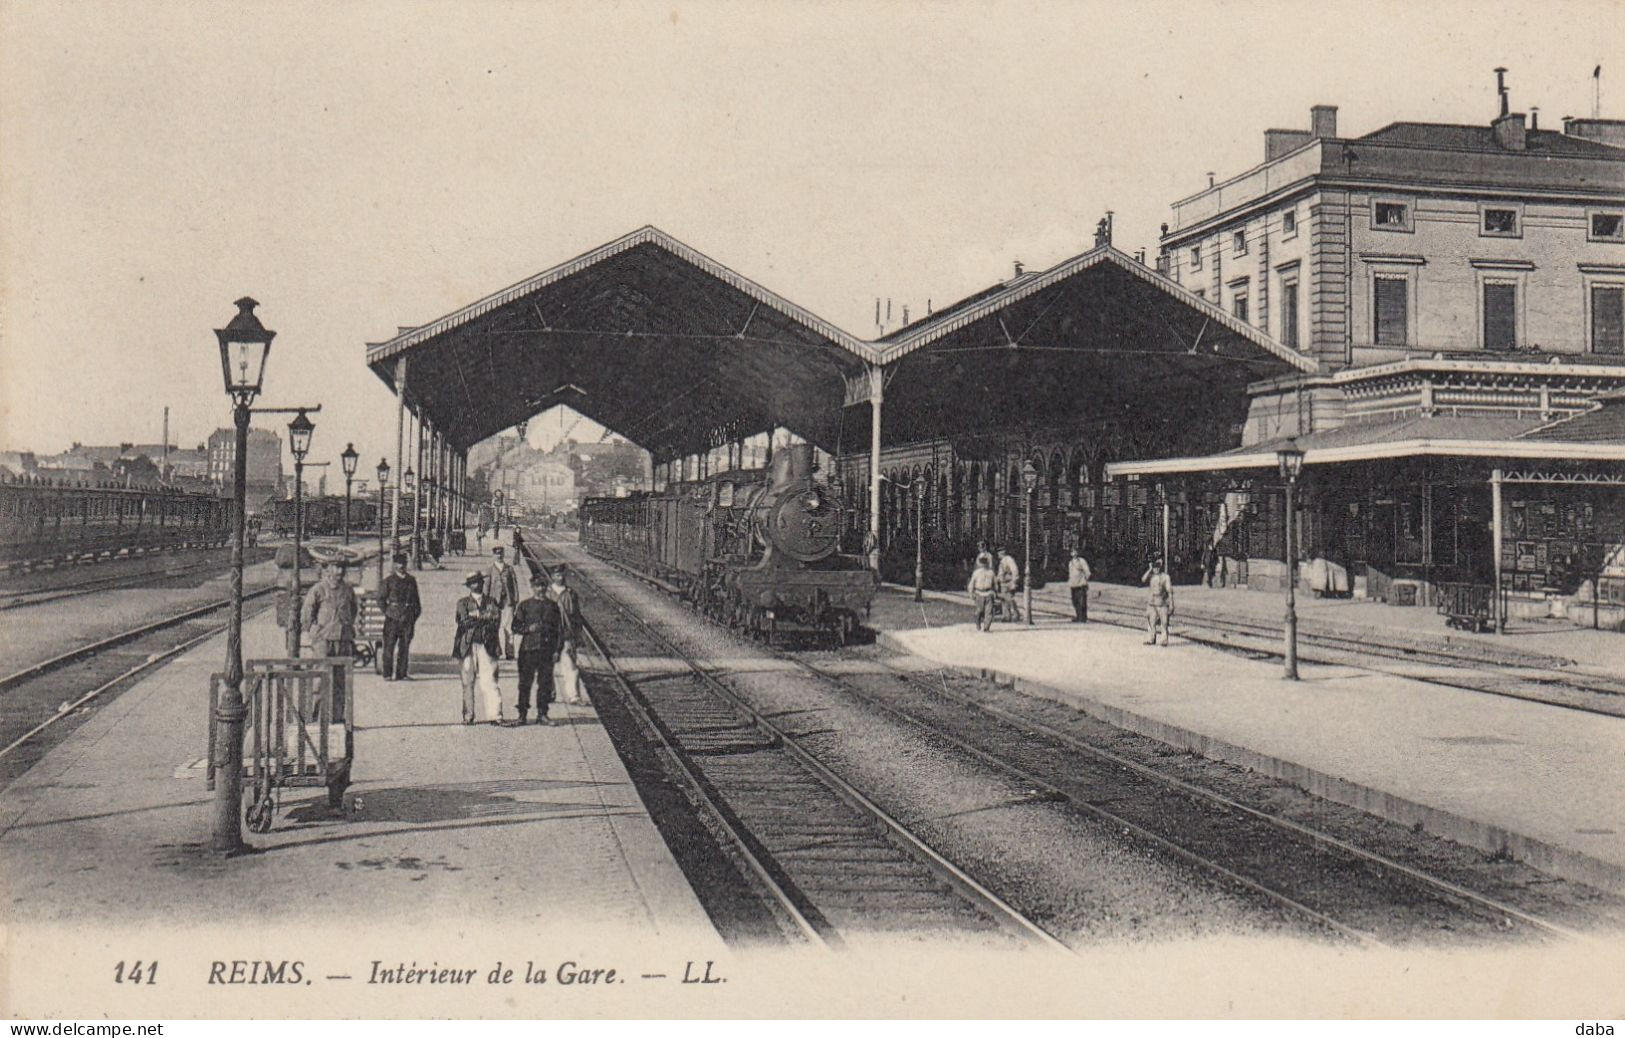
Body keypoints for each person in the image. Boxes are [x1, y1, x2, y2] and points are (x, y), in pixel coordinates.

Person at [302, 558, 359, 719]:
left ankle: (338, 718)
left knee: (341, 681)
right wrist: (315, 631)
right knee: (320, 680)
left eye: (341, 568)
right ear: (327, 570)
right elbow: (307, 613)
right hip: (324, 642)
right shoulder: (318, 589)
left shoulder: (348, 590)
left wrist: (346, 627)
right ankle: (313, 716)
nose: (339, 572)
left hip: (343, 640)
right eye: (335, 568)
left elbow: (353, 610)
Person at [511, 573, 564, 725]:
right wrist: (528, 628)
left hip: (546, 650)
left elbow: (559, 631)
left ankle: (542, 714)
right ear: (532, 588)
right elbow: (515, 626)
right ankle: (522, 715)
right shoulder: (525, 605)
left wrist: (557, 651)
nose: (540, 589)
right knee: (524, 683)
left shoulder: (552, 607)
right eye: (537, 586)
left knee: (545, 683)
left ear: (546, 587)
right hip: (528, 650)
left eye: (543, 586)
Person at [453, 571, 504, 724]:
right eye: (474, 582)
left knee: (490, 680)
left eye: (480, 581)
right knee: (468, 681)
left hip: (487, 645)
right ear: (469, 586)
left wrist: (476, 615)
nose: (478, 585)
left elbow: (495, 621)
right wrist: (484, 616)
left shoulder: (492, 601)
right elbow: (463, 622)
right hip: (467, 646)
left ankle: (496, 715)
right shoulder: (462, 603)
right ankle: (468, 716)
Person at [378, 552, 421, 681]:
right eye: (398, 564)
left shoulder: (411, 580)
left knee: (405, 646)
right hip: (392, 619)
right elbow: (380, 600)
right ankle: (387, 674)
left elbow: (417, 602)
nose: (401, 566)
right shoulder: (388, 581)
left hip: (407, 618)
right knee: (389, 646)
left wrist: (413, 616)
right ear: (394, 565)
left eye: (403, 564)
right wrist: (389, 612)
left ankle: (402, 673)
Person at [547, 567, 586, 705]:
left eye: (562, 574)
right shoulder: (547, 593)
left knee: (570, 665)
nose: (561, 577)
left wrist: (577, 635)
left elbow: (576, 616)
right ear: (552, 576)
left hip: (567, 634)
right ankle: (549, 694)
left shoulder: (571, 593)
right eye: (557, 574)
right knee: (547, 666)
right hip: (550, 634)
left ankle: (574, 696)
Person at [487, 546, 520, 660]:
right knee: (494, 627)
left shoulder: (509, 569)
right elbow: (486, 587)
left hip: (508, 602)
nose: (499, 556)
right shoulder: (490, 570)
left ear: (504, 554)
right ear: (494, 555)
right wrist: (486, 603)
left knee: (509, 628)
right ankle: (496, 651)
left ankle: (510, 653)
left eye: (501, 554)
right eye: (497, 554)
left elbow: (515, 586)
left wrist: (515, 600)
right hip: (494, 602)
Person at [1142, 556, 1175, 647]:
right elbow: (1143, 579)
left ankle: (1164, 640)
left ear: (1160, 567)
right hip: (1152, 603)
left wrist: (1171, 604)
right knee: (1151, 622)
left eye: (1157, 567)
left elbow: (1169, 591)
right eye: (1154, 567)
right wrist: (1149, 570)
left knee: (1164, 623)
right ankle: (1151, 639)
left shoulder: (1165, 577)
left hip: (1162, 603)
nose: (1156, 569)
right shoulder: (1151, 576)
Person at [966, 553, 998, 632]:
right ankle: (978, 622)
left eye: (985, 562)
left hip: (989, 593)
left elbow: (995, 584)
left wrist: (995, 593)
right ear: (980, 563)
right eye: (982, 562)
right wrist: (971, 593)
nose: (984, 564)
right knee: (979, 611)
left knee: (989, 611)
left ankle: (986, 627)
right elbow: (971, 584)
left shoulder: (991, 573)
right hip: (979, 593)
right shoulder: (976, 573)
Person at [995, 546, 1021, 622]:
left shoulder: (1009, 560)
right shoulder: (1002, 560)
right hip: (1003, 583)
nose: (998, 555)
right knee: (1004, 600)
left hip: (1008, 582)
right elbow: (1000, 573)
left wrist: (1014, 582)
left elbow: (1014, 571)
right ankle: (1006, 616)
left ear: (1002, 552)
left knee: (1009, 599)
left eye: (999, 553)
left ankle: (1015, 614)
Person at [1066, 547, 1092, 623]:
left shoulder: (1081, 561)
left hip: (1081, 584)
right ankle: (1078, 616)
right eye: (1072, 552)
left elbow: (1087, 572)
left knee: (1082, 602)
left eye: (1075, 551)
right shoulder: (1070, 563)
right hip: (1073, 584)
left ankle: (1083, 618)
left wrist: (1085, 580)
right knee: (1075, 601)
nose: (1073, 553)